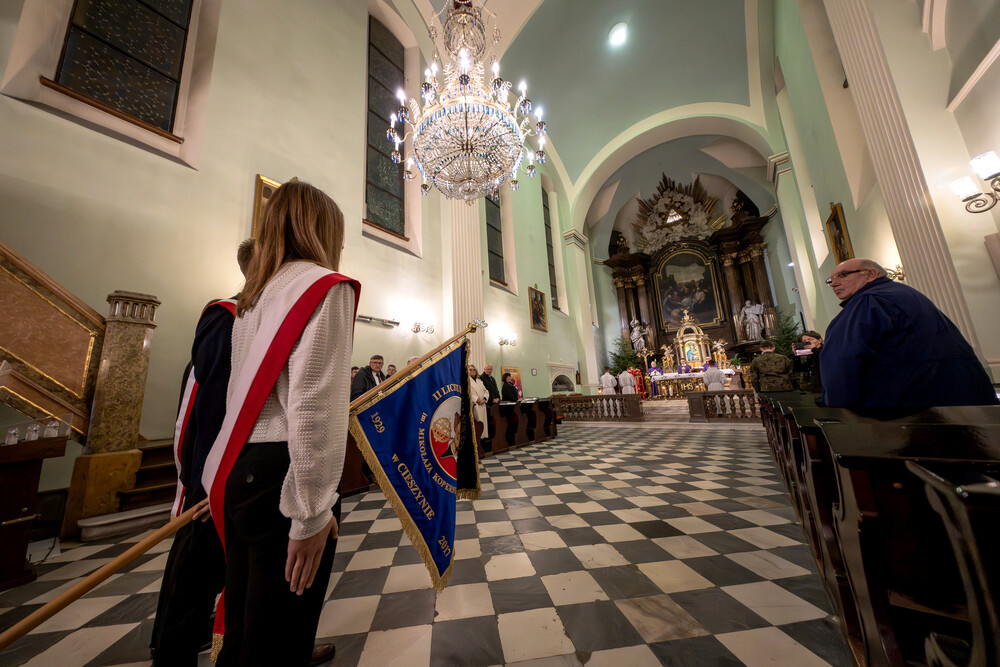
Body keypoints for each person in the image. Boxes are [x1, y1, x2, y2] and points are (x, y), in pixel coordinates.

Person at [201, 181, 360, 666]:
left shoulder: (254, 296)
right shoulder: (322, 288)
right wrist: (311, 510)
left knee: (249, 630)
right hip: (284, 476)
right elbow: (314, 406)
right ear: (319, 229)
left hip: (242, 470)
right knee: (279, 640)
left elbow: (237, 398)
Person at [150, 239, 252, 666]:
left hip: (240, 477)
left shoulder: (257, 321)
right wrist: (207, 481)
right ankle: (173, 653)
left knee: (241, 577)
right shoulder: (227, 318)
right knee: (192, 577)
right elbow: (204, 408)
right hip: (213, 480)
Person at [820, 258, 998, 408]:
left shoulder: (869, 301)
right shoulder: (905, 293)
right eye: (831, 280)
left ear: (871, 274)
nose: (834, 283)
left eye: (842, 275)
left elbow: (842, 362)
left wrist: (839, 414)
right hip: (955, 399)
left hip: (908, 409)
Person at [468, 364, 488, 443]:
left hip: (482, 404)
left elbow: (486, 391)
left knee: (484, 425)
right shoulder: (467, 381)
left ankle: (483, 441)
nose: (472, 371)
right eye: (470, 370)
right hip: (476, 405)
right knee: (478, 425)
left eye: (474, 369)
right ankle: (478, 442)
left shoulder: (480, 381)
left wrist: (484, 398)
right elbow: (468, 393)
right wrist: (476, 400)